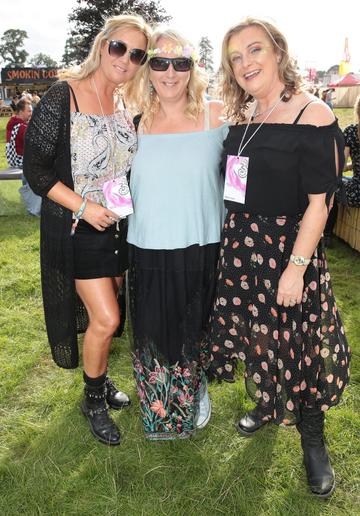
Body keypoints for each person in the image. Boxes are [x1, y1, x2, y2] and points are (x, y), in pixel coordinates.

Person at [206, 18, 350, 498]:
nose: (246, 63)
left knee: (302, 345)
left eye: (254, 50)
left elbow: (320, 202)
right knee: (260, 335)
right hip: (243, 247)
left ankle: (313, 439)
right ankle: (268, 403)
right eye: (235, 57)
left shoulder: (313, 115)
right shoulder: (244, 113)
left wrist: (296, 266)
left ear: (278, 52)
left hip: (289, 252)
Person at [23, 14, 151, 446]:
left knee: (110, 318)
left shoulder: (124, 106)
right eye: (120, 47)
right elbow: (36, 170)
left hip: (118, 229)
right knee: (107, 317)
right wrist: (83, 205)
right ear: (102, 45)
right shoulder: (64, 96)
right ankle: (93, 400)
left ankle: (100, 378)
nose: (126, 59)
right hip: (79, 228)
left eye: (137, 54)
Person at [126, 29, 227, 440]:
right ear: (147, 68)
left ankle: (195, 386)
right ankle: (159, 407)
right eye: (160, 62)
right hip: (146, 243)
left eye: (180, 63)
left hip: (202, 241)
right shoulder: (132, 122)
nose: (170, 72)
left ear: (192, 68)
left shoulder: (216, 116)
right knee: (153, 329)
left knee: (196, 327)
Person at [342, 94, 360, 206]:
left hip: (356, 193)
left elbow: (341, 167)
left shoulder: (351, 131)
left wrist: (352, 165)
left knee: (331, 186)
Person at [6, 98, 32, 168]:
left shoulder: (12, 122)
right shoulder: (20, 127)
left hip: (14, 161)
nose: (31, 114)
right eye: (29, 111)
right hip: (21, 162)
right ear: (21, 112)